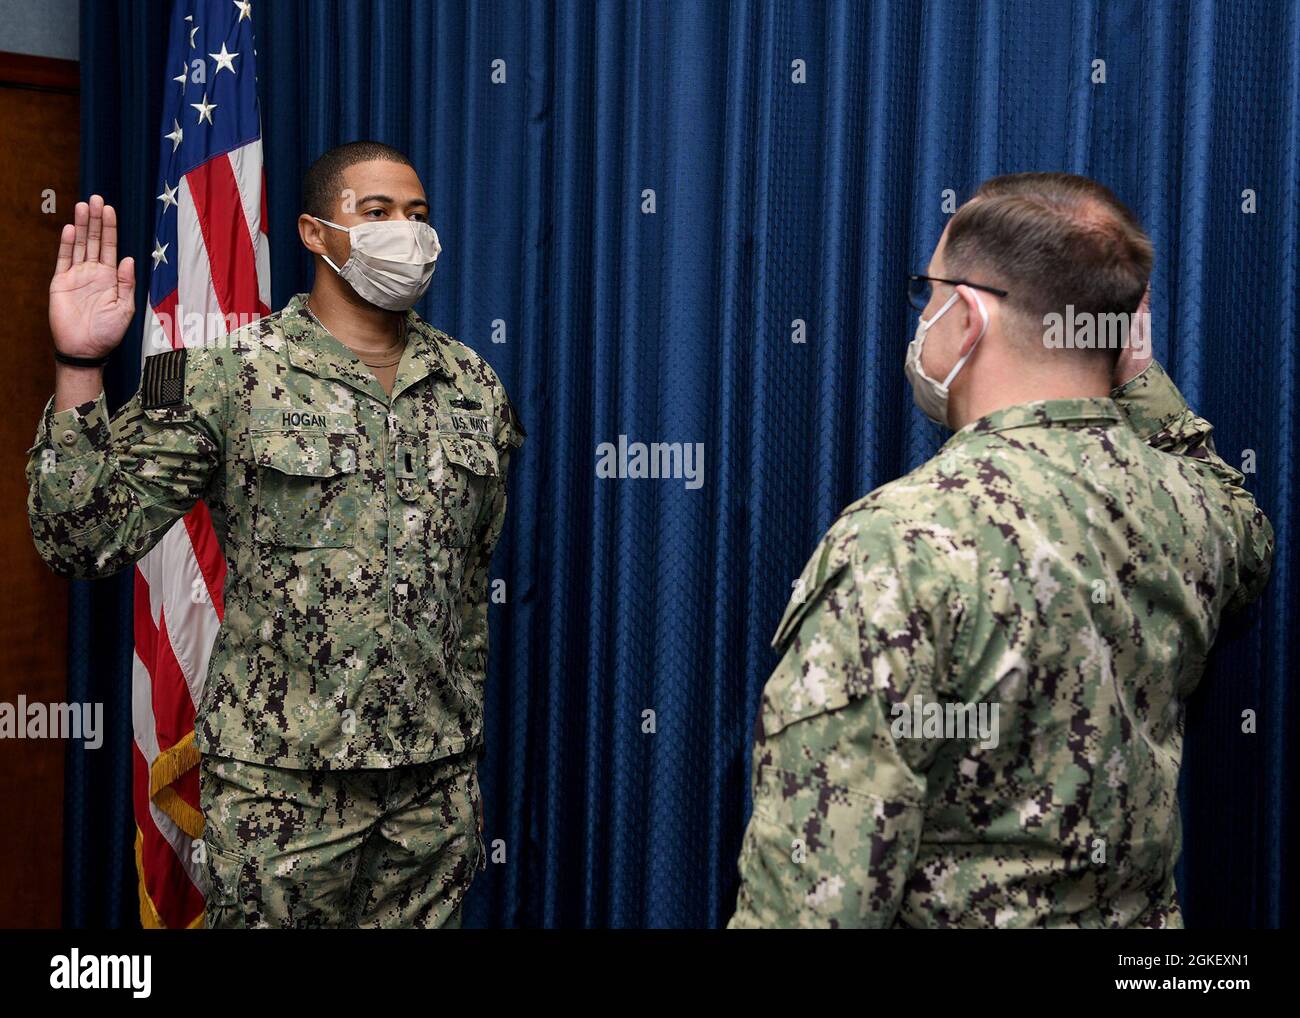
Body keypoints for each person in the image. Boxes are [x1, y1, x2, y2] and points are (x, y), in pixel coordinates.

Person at [727, 172, 1273, 928]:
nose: (924, 320)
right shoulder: (1194, 511)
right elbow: (1244, 522)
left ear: (969, 315)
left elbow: (818, 904)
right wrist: (1130, 364)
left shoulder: (896, 543)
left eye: (931, 294)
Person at [26, 140, 523, 928]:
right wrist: (78, 363)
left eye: (419, 215)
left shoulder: (473, 388)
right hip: (281, 794)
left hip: (431, 794)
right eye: (379, 212)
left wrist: (455, 746)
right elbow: (80, 538)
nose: (408, 232)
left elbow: (467, 585)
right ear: (315, 232)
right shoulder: (221, 376)